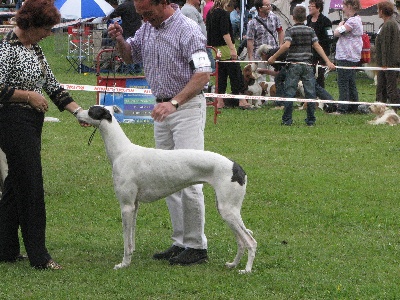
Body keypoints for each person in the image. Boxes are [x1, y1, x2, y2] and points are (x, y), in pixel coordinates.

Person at [108, 0, 212, 266]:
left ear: (164, 3)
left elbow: (203, 73)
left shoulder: (188, 29)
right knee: (168, 178)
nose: (144, 18)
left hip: (185, 107)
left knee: (190, 175)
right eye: (140, 13)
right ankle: (180, 241)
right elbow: (131, 56)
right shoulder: (147, 27)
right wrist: (120, 40)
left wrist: (174, 102)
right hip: (162, 109)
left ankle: (196, 245)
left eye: (148, 12)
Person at [0, 0, 89, 270]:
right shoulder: (6, 49)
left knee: (15, 186)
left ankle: (5, 249)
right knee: (31, 187)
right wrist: (28, 96)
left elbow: (52, 84)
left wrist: (78, 112)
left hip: (31, 123)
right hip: (11, 120)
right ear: (31, 24)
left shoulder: (34, 49)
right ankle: (40, 256)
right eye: (47, 28)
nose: (49, 33)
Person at [268, 5, 335, 126]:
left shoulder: (291, 30)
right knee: (310, 93)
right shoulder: (310, 30)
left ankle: (287, 120)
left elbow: (286, 45)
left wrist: (273, 57)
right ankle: (310, 120)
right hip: (307, 65)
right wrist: (328, 61)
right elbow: (317, 46)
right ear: (305, 18)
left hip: (293, 65)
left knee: (289, 93)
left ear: (293, 17)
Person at [206, 0, 252, 109]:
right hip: (225, 48)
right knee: (235, 73)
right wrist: (232, 48)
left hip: (215, 49)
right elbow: (225, 32)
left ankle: (220, 101)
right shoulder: (223, 13)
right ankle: (241, 100)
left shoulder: (210, 13)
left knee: (221, 75)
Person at [331, 0, 363, 115]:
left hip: (346, 55)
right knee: (350, 81)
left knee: (343, 82)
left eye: (344, 6)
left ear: (349, 6)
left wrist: (340, 25)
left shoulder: (352, 21)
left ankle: (342, 108)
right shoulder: (356, 19)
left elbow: (337, 32)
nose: (342, 9)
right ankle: (354, 106)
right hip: (352, 56)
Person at [375, 1, 400, 109]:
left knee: (390, 88)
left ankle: (394, 110)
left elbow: (386, 45)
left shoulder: (390, 24)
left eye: (378, 10)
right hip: (384, 62)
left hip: (389, 63)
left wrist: (385, 64)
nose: (377, 12)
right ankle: (380, 109)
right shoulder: (385, 24)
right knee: (381, 87)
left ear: (382, 11)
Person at [306, 0, 333, 88]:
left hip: (321, 53)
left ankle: (321, 99)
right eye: (309, 6)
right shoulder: (308, 18)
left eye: (312, 6)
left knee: (319, 77)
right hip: (310, 53)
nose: (309, 7)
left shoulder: (326, 21)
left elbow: (330, 38)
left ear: (318, 8)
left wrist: (317, 43)